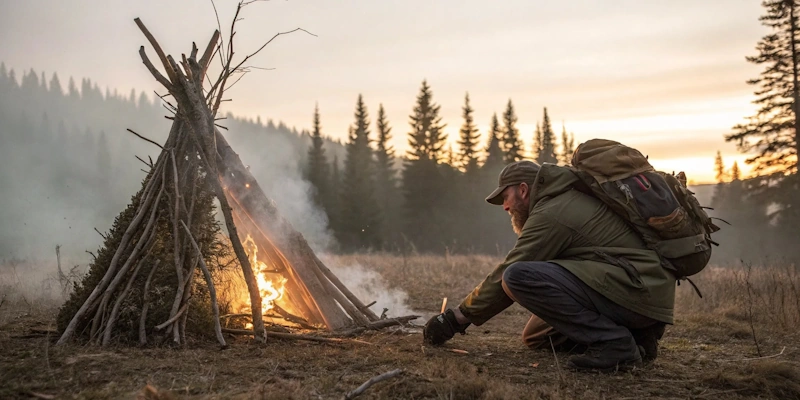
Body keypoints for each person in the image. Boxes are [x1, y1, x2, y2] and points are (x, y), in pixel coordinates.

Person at [422, 160, 674, 372]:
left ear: (523, 190)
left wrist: (456, 319)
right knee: (537, 336)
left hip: (636, 290)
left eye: (506, 198)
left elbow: (512, 269)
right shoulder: (561, 202)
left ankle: (615, 344)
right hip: (637, 293)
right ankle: (639, 337)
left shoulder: (553, 211)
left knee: (516, 276)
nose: (505, 207)